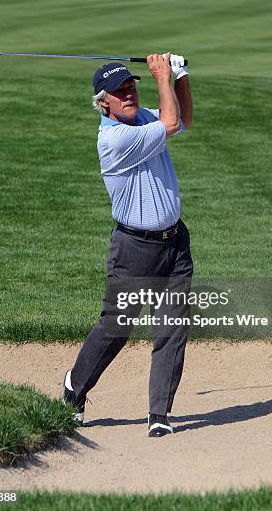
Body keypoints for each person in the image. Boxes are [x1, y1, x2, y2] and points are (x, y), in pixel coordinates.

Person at [63, 52, 194, 437]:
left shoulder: (144, 118)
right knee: (116, 328)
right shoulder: (115, 138)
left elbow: (182, 120)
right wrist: (161, 76)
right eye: (119, 91)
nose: (128, 94)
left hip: (175, 245)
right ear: (103, 102)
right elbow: (171, 122)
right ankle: (75, 387)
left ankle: (159, 414)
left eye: (131, 86)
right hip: (135, 249)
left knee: (172, 326)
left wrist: (180, 75)